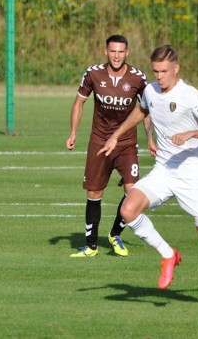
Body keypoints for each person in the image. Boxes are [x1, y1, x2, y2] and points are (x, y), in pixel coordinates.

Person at [98, 44, 198, 310]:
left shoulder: (190, 95)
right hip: (164, 169)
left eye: (164, 71)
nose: (159, 77)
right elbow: (143, 110)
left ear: (176, 68)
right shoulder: (150, 90)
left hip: (192, 175)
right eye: (155, 71)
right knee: (128, 210)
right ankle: (168, 254)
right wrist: (117, 135)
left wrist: (191, 134)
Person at [66, 34, 148, 258]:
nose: (117, 55)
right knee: (94, 192)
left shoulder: (138, 78)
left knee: (133, 192)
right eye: (113, 51)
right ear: (106, 52)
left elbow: (147, 109)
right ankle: (91, 246)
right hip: (100, 141)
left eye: (121, 51)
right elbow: (79, 102)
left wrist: (151, 138)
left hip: (126, 142)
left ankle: (115, 234)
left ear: (127, 53)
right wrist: (73, 132)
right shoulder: (93, 74)